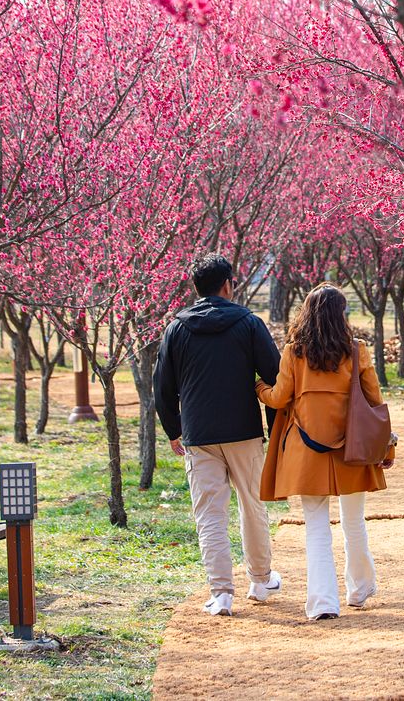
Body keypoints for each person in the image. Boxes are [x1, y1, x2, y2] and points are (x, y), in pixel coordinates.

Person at [153, 253, 283, 617]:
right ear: (228, 285)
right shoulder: (249, 323)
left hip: (199, 434)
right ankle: (260, 580)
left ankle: (221, 592)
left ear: (196, 287)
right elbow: (275, 377)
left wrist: (174, 430)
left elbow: (162, 386)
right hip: (244, 431)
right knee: (252, 505)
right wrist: (275, 428)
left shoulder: (176, 329)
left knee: (209, 514)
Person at [257, 283, 393, 621]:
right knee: (354, 521)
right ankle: (360, 589)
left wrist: (259, 387)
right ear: (341, 314)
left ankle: (322, 604)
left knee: (316, 526)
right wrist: (388, 444)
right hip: (353, 448)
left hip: (307, 452)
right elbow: (375, 402)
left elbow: (279, 398)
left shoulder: (295, 352)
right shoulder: (357, 351)